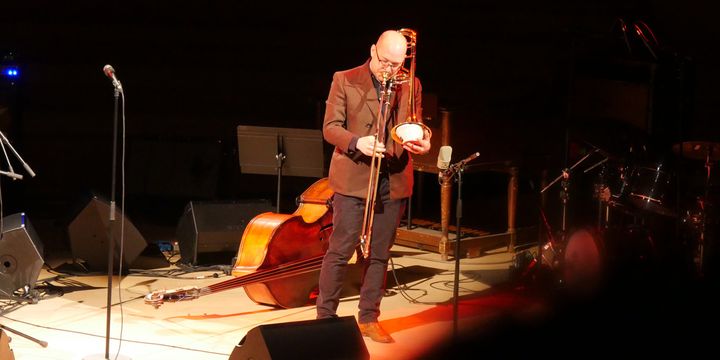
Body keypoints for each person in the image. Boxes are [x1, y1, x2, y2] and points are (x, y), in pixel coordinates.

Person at [316, 29, 432, 343]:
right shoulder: (345, 79)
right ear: (372, 50)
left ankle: (368, 317)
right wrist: (357, 142)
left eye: (397, 64)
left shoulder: (412, 83)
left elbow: (415, 124)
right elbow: (330, 128)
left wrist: (423, 139)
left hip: (393, 178)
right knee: (340, 251)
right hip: (354, 176)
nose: (390, 70)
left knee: (379, 254)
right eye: (385, 62)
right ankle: (325, 318)